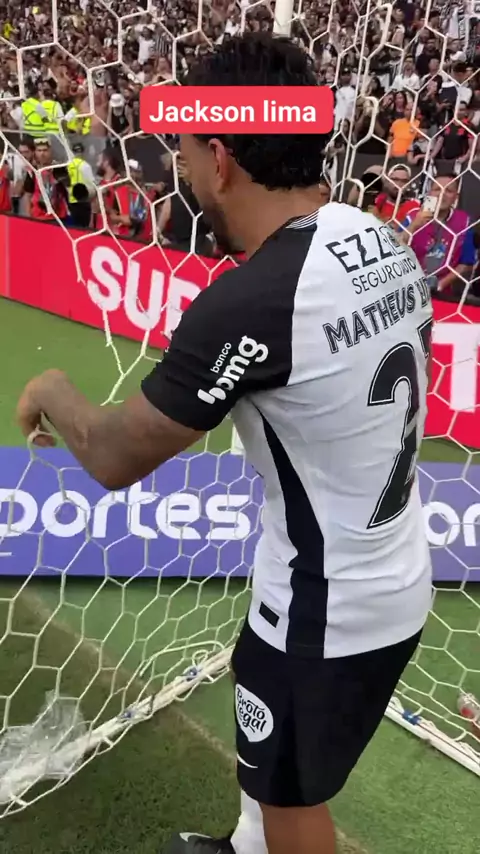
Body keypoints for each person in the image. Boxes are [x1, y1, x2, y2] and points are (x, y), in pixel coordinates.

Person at [16, 33, 433, 854]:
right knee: (259, 699)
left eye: (184, 149)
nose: (182, 167)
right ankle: (244, 843)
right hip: (386, 571)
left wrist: (51, 389)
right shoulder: (376, 234)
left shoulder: (255, 301)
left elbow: (113, 456)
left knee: (293, 802)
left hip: (326, 610)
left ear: (220, 157)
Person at [400, 174, 475, 295]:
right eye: (437, 189)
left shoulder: (464, 222)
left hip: (441, 292)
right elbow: (393, 247)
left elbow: (466, 263)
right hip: (407, 286)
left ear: (456, 197)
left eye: (448, 191)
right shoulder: (412, 216)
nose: (442, 194)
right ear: (429, 193)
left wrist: (441, 284)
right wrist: (413, 226)